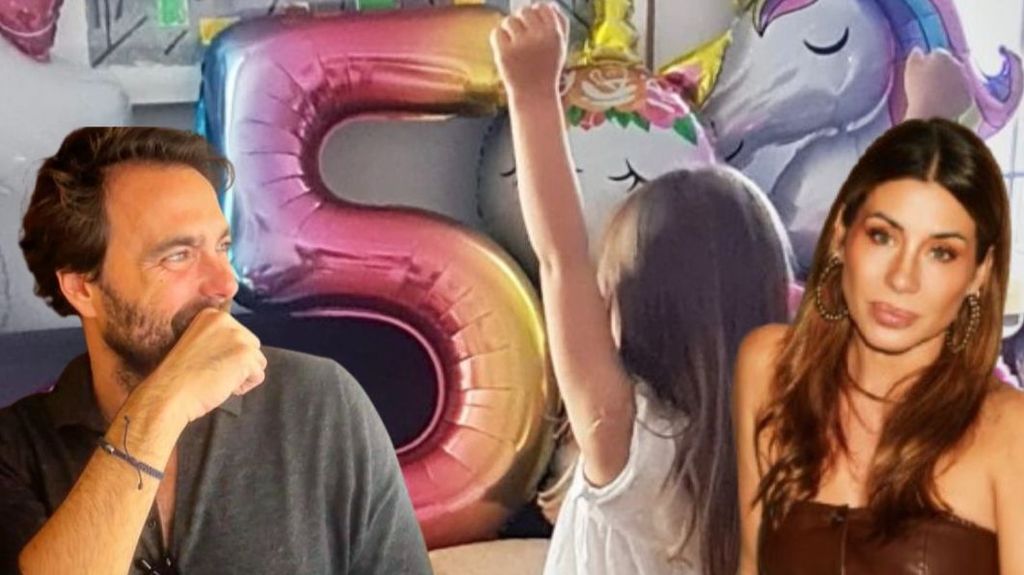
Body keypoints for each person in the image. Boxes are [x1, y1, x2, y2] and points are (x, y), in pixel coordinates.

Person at [0, 127, 432, 574]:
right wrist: (162, 405)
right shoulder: (15, 449)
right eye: (178, 255)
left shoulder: (320, 403)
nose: (225, 284)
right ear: (82, 288)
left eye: (222, 247)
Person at [490, 6, 792, 574]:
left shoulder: (630, 437)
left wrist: (531, 93)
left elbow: (561, 259)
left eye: (607, 290)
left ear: (637, 311)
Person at [733, 117, 1024, 574]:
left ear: (979, 274)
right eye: (882, 236)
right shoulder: (770, 370)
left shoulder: (1009, 430)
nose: (902, 278)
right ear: (841, 235)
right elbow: (750, 566)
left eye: (941, 252)